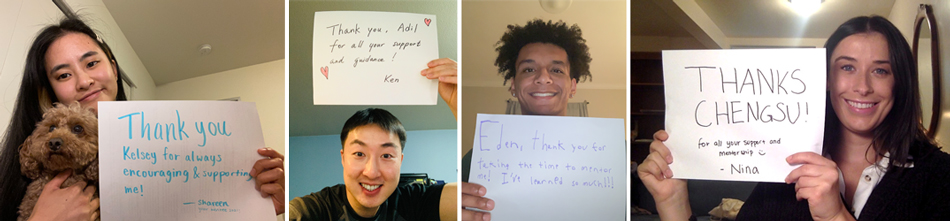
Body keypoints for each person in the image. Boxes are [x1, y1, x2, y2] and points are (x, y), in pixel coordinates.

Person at [637, 15, 950, 220]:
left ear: (901, 82)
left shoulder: (938, 177)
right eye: (847, 67)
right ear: (825, 79)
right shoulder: (784, 166)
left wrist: (834, 216)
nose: (862, 87)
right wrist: (673, 203)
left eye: (880, 70)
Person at [0, 18, 286, 220]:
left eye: (91, 63)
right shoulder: (19, 173)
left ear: (112, 67)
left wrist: (254, 209)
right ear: (49, 91)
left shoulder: (162, 156)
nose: (84, 81)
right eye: (63, 74)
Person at [460, 19, 593, 221]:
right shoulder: (477, 158)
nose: (542, 78)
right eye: (529, 70)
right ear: (513, 85)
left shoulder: (613, 153)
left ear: (573, 87)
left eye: (556, 70)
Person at [288, 108, 458, 221]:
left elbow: (479, 196)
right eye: (359, 154)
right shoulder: (314, 210)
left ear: (400, 161)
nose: (371, 172)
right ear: (343, 158)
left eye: (386, 155)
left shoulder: (413, 202)